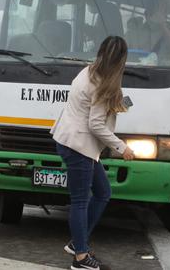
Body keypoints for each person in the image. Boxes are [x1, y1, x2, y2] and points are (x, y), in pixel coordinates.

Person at [51, 36, 134, 270]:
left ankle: (78, 243)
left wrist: (119, 103)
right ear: (120, 60)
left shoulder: (88, 71)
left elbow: (92, 107)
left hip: (70, 139)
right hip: (78, 145)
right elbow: (95, 125)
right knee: (80, 201)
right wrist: (122, 147)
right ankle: (80, 259)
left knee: (102, 192)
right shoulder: (101, 85)